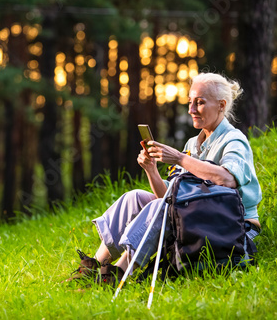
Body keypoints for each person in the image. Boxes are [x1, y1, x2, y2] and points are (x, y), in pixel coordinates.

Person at [69, 72, 262, 285]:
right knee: (134, 197)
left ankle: (117, 275)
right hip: (197, 215)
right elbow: (169, 196)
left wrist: (179, 158)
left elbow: (226, 179)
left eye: (199, 103)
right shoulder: (192, 144)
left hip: (232, 225)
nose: (191, 110)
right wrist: (151, 170)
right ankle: (93, 267)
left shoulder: (234, 141)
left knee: (160, 209)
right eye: (190, 102)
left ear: (221, 105)